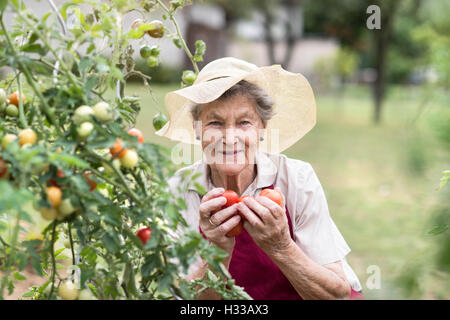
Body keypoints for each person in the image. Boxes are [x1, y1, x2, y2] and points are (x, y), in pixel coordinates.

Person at [157, 57, 363, 300]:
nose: (230, 137)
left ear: (262, 128)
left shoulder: (296, 179)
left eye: (244, 122)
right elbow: (188, 299)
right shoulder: (178, 191)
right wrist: (218, 251)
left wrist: (282, 248)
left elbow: (336, 296)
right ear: (197, 129)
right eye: (215, 123)